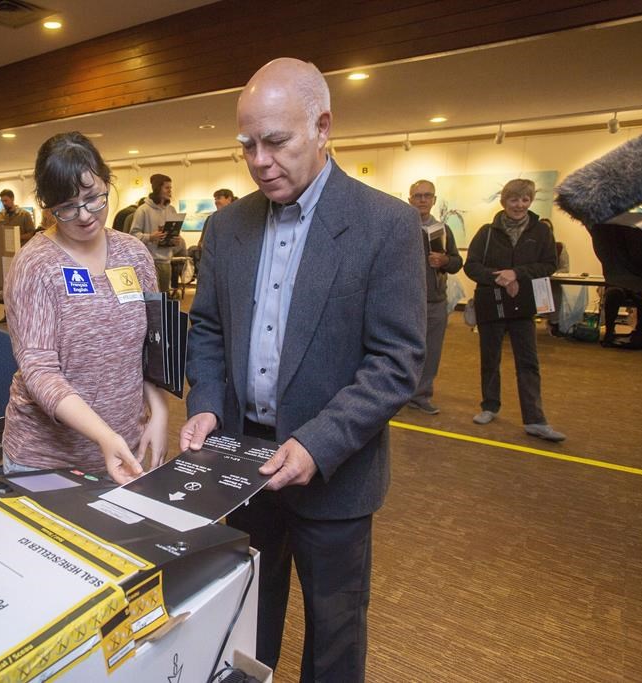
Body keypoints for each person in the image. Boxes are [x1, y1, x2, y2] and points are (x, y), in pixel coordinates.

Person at [180, 58, 425, 682]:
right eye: (247, 145)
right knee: (245, 628)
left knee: (333, 640)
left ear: (323, 127)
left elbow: (396, 362)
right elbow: (207, 328)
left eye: (276, 141)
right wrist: (206, 403)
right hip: (242, 466)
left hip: (335, 475)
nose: (260, 161)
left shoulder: (385, 224)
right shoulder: (226, 226)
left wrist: (318, 443)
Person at [2, 131, 169, 483]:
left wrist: (159, 411)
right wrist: (103, 435)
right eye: (67, 207)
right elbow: (39, 371)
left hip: (126, 448)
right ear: (47, 205)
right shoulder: (35, 266)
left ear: (107, 182)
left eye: (94, 198)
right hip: (48, 459)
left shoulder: (133, 254)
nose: (85, 216)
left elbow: (150, 348)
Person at [464, 179, 565, 441]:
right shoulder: (487, 232)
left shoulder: (541, 231)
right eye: (514, 199)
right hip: (492, 304)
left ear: (530, 201)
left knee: (528, 362)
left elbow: (549, 265)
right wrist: (500, 277)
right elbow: (471, 266)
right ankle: (489, 406)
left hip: (523, 306)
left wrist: (516, 273)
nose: (519, 205)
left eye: (524, 199)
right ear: (504, 201)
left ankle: (535, 419)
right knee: (490, 359)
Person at [406, 180, 462, 415]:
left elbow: (457, 262)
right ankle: (397, 395)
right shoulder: (401, 227)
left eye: (427, 195)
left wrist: (445, 261)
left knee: (431, 352)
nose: (422, 200)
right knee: (402, 350)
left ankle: (421, 395)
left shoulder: (442, 231)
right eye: (418, 196)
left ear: (434, 200)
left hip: (434, 301)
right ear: (410, 199)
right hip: (405, 302)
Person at [129, 174, 184, 294]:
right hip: (148, 262)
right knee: (152, 298)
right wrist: (150, 237)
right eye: (167, 188)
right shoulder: (143, 210)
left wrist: (176, 241)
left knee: (163, 297)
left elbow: (174, 234)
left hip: (166, 262)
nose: (170, 191)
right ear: (158, 188)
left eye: (170, 188)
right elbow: (133, 236)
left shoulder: (171, 210)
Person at [189, 189, 237, 276]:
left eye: (219, 198)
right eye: (215, 199)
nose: (216, 201)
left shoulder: (238, 217)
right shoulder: (211, 219)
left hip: (232, 262)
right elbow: (202, 242)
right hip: (214, 262)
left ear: (229, 199)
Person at [540, 218, 569, 336]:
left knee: (555, 289)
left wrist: (549, 274)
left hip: (552, 281)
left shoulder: (559, 247)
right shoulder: (529, 247)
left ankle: (554, 322)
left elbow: (565, 269)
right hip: (532, 281)